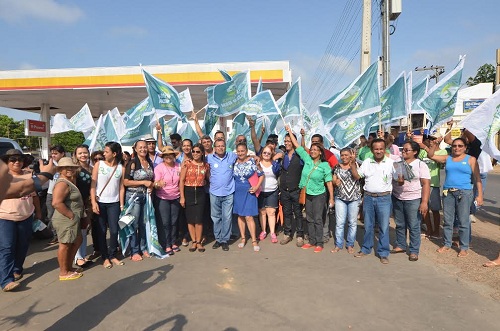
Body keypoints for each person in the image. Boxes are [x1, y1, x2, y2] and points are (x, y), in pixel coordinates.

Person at [428, 137, 483, 257]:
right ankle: (447, 244)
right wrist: (435, 143)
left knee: (463, 221)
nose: (457, 148)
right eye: (454, 146)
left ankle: (464, 247)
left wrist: (480, 196)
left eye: (460, 146)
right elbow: (431, 155)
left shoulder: (471, 159)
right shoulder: (448, 158)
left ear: (465, 148)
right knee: (448, 221)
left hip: (464, 193)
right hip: (448, 193)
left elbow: (478, 179)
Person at [286, 126, 334, 253]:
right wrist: (290, 132)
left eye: (315, 150)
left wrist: (332, 199)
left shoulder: (325, 165)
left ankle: (319, 242)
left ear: (320, 152)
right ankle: (312, 241)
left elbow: (329, 183)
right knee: (309, 218)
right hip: (307, 194)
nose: (312, 151)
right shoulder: (307, 159)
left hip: (319, 195)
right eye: (311, 149)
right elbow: (296, 145)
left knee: (318, 219)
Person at [0, 150, 42, 291]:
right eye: (13, 159)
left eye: (19, 159)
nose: (17, 162)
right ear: (7, 162)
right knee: (7, 247)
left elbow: (35, 196)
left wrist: (39, 213)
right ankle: (6, 280)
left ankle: (17, 269)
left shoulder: (29, 175)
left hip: (26, 216)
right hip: (5, 217)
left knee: (23, 245)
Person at [351, 138, 394, 264]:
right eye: (376, 149)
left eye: (381, 148)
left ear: (384, 149)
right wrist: (353, 163)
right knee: (368, 225)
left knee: (384, 226)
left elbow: (399, 178)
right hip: (369, 197)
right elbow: (357, 176)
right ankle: (366, 248)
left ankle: (383, 252)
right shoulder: (367, 162)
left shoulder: (391, 163)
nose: (379, 151)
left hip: (384, 198)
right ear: (372, 150)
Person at [391, 141, 430, 262]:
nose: (404, 152)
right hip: (398, 197)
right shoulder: (398, 164)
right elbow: (397, 181)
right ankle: (401, 245)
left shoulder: (420, 165)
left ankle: (414, 250)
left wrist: (424, 202)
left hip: (414, 199)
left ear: (415, 152)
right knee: (400, 224)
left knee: (414, 225)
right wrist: (399, 181)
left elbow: (426, 184)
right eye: (403, 150)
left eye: (407, 150)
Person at [90, 142, 125, 268]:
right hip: (100, 203)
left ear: (114, 154)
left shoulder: (121, 168)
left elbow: (121, 188)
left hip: (114, 204)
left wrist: (121, 205)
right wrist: (94, 202)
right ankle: (105, 257)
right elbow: (93, 185)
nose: (104, 153)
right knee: (102, 231)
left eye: (106, 151)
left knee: (115, 231)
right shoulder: (99, 165)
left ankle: (113, 255)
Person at [51, 157, 85, 280]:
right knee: (65, 245)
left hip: (71, 218)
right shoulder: (62, 183)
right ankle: (63, 272)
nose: (70, 169)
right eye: (66, 168)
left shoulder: (68, 181)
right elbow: (56, 203)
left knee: (76, 241)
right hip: (65, 218)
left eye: (72, 167)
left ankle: (68, 267)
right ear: (60, 169)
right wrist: (71, 216)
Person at [123, 139, 155, 260]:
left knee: (144, 223)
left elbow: (150, 179)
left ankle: (143, 247)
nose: (143, 149)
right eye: (140, 147)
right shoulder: (132, 163)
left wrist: (151, 185)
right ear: (135, 149)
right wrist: (144, 182)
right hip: (133, 197)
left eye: (145, 147)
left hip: (146, 197)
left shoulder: (149, 162)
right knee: (133, 224)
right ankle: (134, 250)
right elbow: (126, 182)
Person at [206, 139, 237, 251]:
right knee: (215, 218)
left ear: (225, 146)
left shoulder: (232, 156)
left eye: (222, 146)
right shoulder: (209, 158)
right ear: (214, 147)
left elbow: (245, 156)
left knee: (227, 218)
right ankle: (218, 239)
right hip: (214, 192)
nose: (220, 148)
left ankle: (225, 240)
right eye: (218, 146)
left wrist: (255, 158)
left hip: (228, 192)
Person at [233, 143, 264, 252]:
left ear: (246, 151)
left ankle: (254, 240)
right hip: (238, 192)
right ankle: (243, 238)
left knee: (249, 217)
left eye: (243, 151)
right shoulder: (234, 162)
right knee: (240, 216)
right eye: (239, 151)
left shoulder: (252, 161)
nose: (240, 153)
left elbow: (261, 174)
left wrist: (256, 187)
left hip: (249, 192)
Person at [179, 143, 210, 252]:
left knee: (199, 219)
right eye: (193, 151)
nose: (195, 154)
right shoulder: (186, 164)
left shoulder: (206, 165)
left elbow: (209, 178)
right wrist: (182, 197)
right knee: (190, 219)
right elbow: (181, 180)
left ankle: (199, 241)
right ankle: (194, 241)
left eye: (198, 151)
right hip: (189, 191)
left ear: (202, 153)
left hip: (200, 192)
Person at [331, 148, 362, 254]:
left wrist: (353, 163)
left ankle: (350, 244)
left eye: (346, 155)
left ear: (351, 156)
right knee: (339, 223)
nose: (344, 157)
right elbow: (333, 180)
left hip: (354, 198)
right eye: (342, 155)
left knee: (352, 222)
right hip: (340, 198)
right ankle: (338, 244)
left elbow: (356, 177)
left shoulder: (356, 165)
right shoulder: (337, 167)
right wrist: (335, 182)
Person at [279, 132, 305, 247]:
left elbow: (303, 150)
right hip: (285, 189)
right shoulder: (282, 155)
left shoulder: (299, 156)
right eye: (285, 141)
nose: (287, 143)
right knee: (287, 212)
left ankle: (300, 235)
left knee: (298, 214)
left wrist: (303, 137)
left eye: (289, 141)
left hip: (296, 189)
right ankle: (287, 233)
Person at [153, 146, 181, 256]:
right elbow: (155, 183)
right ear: (163, 157)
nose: (168, 157)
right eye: (166, 155)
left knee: (174, 222)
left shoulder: (178, 166)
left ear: (174, 156)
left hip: (176, 197)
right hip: (163, 198)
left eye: (170, 155)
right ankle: (166, 244)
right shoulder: (159, 168)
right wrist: (158, 184)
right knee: (165, 222)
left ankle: (173, 242)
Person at [419, 132, 447, 239]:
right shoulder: (422, 152)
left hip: (433, 183)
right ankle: (429, 230)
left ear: (439, 139)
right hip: (421, 183)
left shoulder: (443, 151)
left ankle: (436, 231)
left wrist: (427, 148)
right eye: (430, 138)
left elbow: (438, 161)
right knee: (424, 208)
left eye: (433, 138)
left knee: (435, 209)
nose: (431, 140)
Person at [73, 145, 93, 268]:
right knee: (78, 232)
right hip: (77, 204)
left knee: (85, 230)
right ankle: (77, 257)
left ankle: (83, 255)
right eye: (80, 153)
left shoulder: (91, 168)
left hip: (87, 203)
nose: (83, 155)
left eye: (85, 153)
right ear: (76, 155)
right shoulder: (75, 169)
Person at [257, 144, 280, 243]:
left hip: (272, 190)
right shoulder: (258, 163)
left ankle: (272, 232)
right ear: (261, 153)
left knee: (271, 212)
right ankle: (263, 231)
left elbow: (281, 155)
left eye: (268, 153)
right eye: (264, 152)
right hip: (261, 191)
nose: (266, 154)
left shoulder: (275, 163)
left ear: (272, 154)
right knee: (262, 212)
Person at [46, 145, 66, 245]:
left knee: (63, 215)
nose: (53, 155)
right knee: (51, 216)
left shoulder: (67, 164)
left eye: (56, 153)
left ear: (62, 154)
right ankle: (55, 236)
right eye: (52, 153)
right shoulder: (50, 164)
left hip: (63, 194)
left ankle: (63, 235)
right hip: (50, 193)